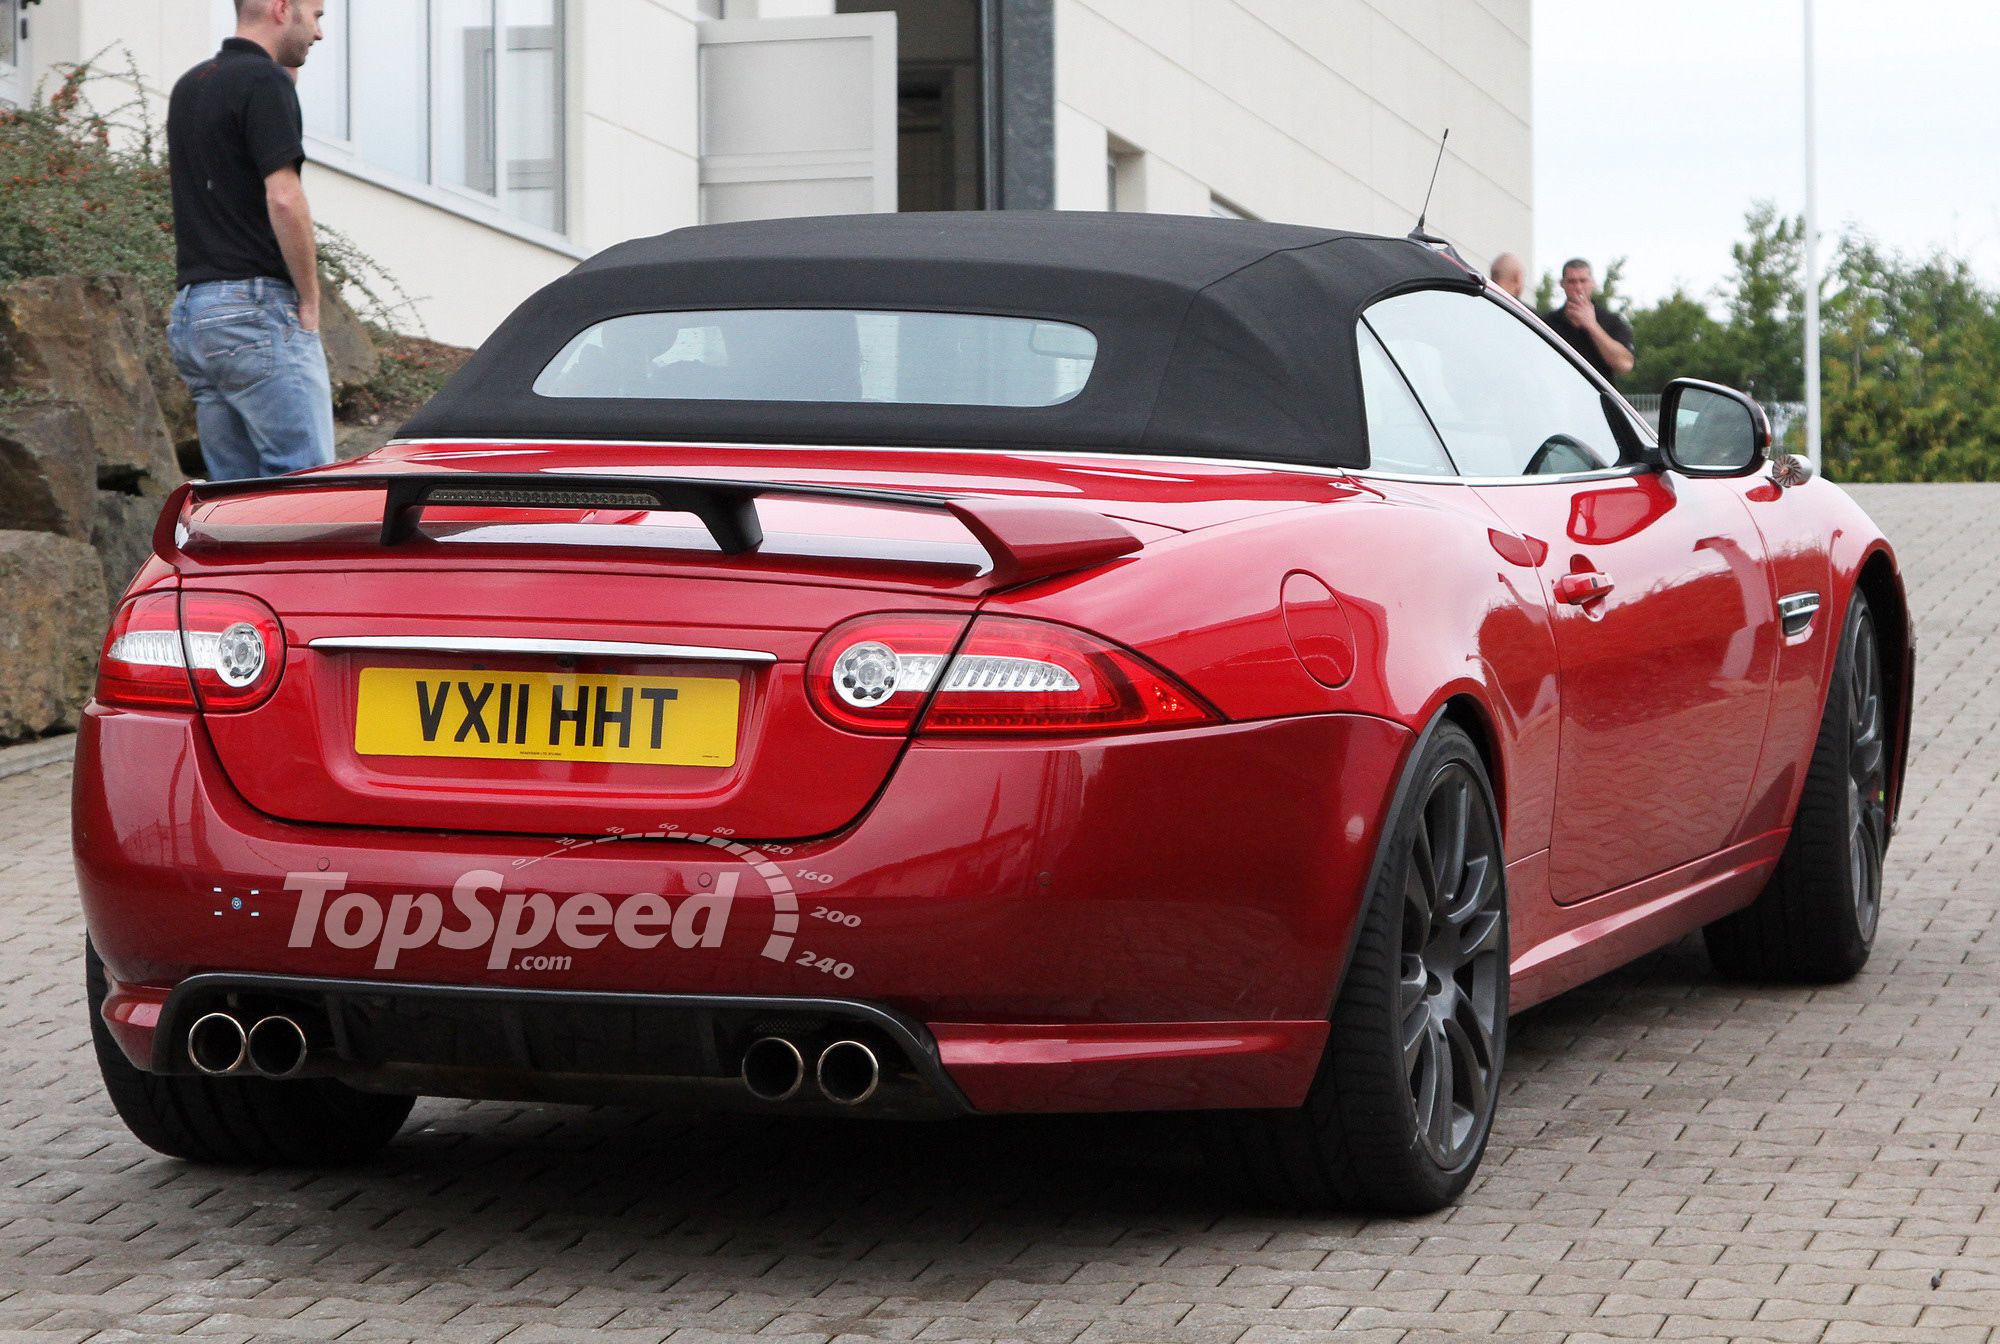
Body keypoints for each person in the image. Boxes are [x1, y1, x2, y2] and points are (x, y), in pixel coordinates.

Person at [165, 0, 332, 481]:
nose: (318, 33)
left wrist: (286, 80)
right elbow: (283, 198)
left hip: (197, 317)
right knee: (304, 486)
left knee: (235, 499)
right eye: (316, 15)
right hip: (256, 311)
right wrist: (309, 300)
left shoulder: (192, 86)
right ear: (283, 8)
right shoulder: (263, 83)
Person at [1543, 257, 1635, 384]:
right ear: (1562, 284)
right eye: (1572, 282)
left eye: (1583, 281)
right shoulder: (1548, 323)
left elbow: (1625, 365)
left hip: (1597, 399)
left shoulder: (1611, 321)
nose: (1578, 287)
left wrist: (1592, 325)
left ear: (1592, 283)